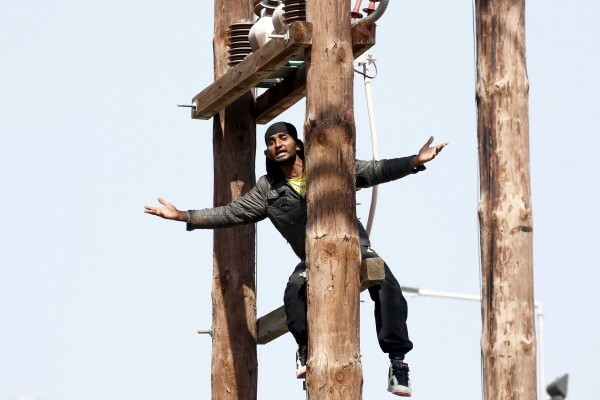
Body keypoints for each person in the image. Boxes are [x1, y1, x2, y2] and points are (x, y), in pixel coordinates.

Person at [144, 121, 447, 397]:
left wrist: (414, 162)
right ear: (267, 151)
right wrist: (184, 215)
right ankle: (306, 348)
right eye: (272, 141)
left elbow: (375, 170)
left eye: (283, 138)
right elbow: (231, 212)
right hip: (311, 257)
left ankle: (397, 361)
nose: (278, 144)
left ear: (297, 143)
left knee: (386, 283)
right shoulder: (268, 189)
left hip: (352, 246)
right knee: (293, 289)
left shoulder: (329, 166)